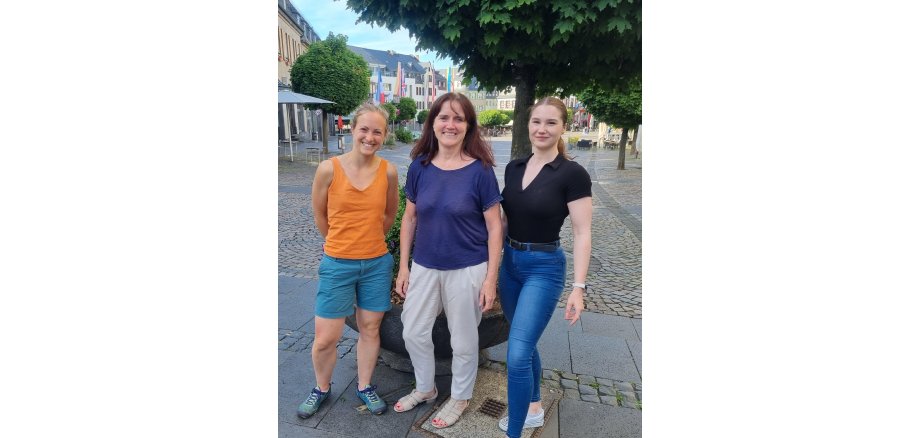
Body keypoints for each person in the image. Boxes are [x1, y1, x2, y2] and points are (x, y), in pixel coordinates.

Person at [392, 92, 503, 429]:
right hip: (425, 265)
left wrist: (490, 280)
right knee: (412, 331)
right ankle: (425, 388)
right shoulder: (419, 167)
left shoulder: (480, 171)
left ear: (467, 126)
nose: (450, 124)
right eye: (444, 117)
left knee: (464, 339)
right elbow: (409, 219)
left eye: (458, 118)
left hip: (467, 267)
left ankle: (460, 396)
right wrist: (403, 266)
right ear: (433, 123)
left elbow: (495, 227)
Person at [497, 96, 592, 437]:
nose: (542, 129)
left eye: (551, 122)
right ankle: (534, 405)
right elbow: (505, 221)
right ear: (528, 124)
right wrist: (490, 266)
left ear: (563, 127)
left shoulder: (572, 174)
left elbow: (582, 233)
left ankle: (516, 431)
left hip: (544, 268)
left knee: (517, 353)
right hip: (510, 265)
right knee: (526, 342)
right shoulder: (514, 167)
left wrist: (578, 289)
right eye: (537, 121)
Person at [297, 103, 399, 419]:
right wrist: (340, 243)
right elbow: (320, 214)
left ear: (384, 135)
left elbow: (389, 214)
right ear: (352, 129)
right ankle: (321, 388)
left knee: (370, 328)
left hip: (376, 263)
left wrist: (369, 243)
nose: (370, 137)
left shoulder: (389, 171)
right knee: (326, 337)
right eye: (364, 129)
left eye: (377, 131)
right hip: (337, 263)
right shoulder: (329, 169)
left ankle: (365, 386)